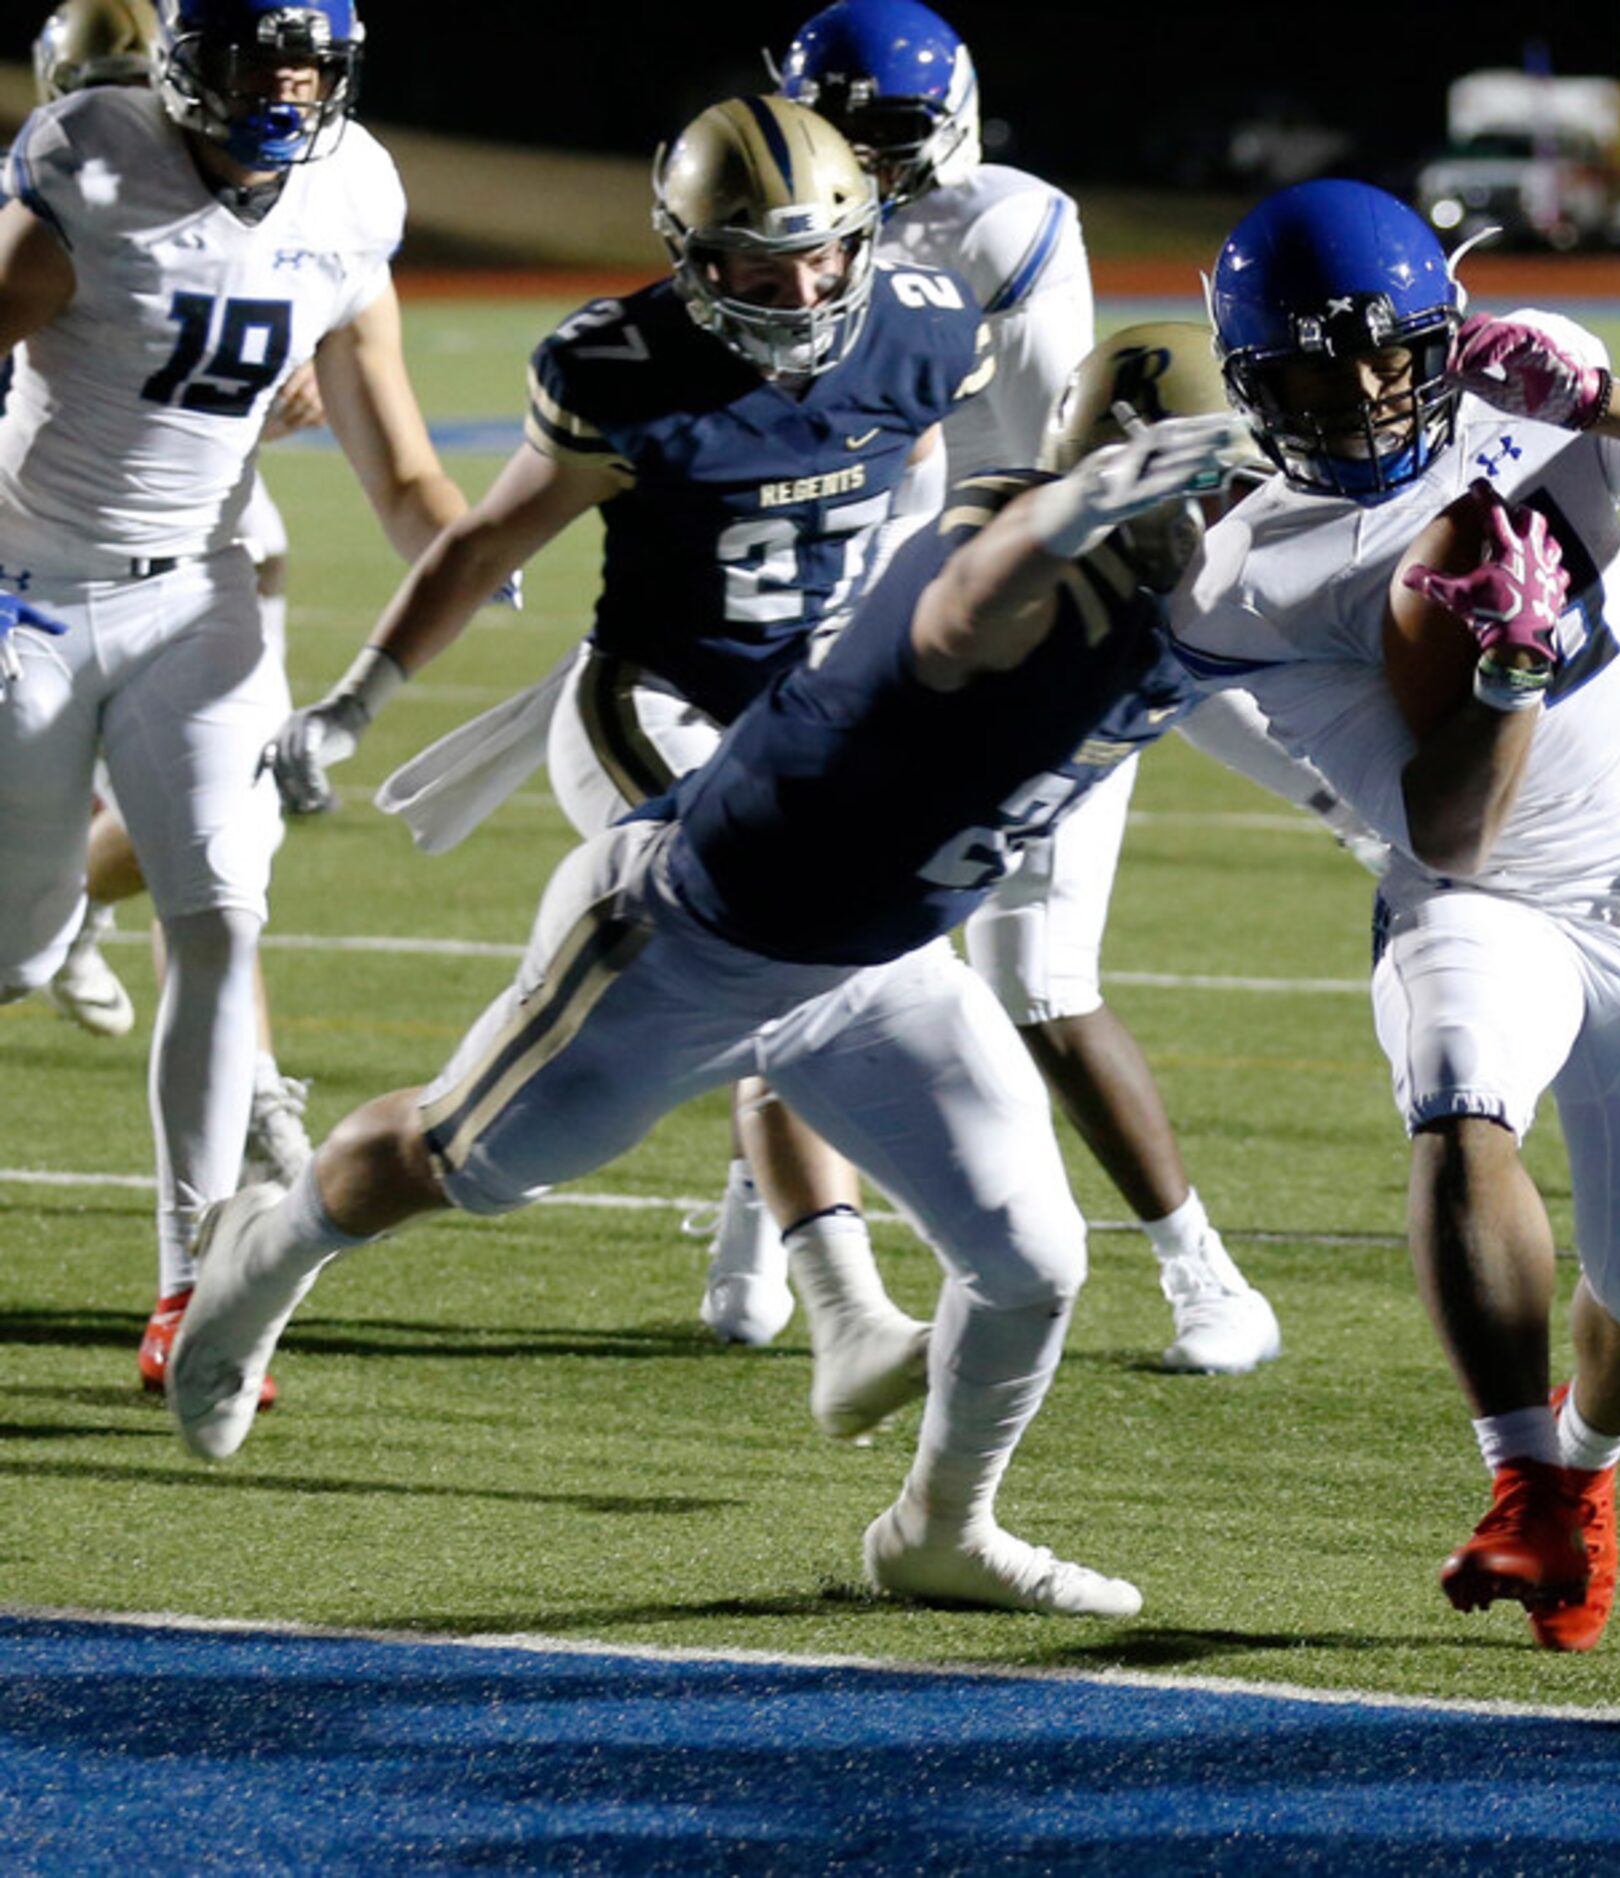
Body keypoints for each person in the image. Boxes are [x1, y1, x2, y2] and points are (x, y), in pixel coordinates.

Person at [167, 408, 1249, 1618]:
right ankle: (262, 1257)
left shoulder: (1211, 596)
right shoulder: (998, 535)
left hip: (875, 969)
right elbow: (961, 616)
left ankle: (939, 1531)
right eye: (1202, 490)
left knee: (1031, 1265)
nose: (1222, 519)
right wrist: (1076, 506)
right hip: (683, 939)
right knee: (451, 1160)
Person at [1174, 179, 1620, 1649]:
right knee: (1459, 1103)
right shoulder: (1249, 574)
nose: (1362, 394)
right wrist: (1507, 668)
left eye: (1388, 354)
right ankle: (1517, 1469)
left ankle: (1580, 1475)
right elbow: (1453, 825)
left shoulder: (1518, 404)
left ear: (1438, 334)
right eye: (1316, 370)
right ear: (1254, 377)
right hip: (1478, 894)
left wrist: (1607, 397)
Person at [270, 93, 986, 1380]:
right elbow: (487, 540)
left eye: (824, 249)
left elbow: (921, 459)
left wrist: (891, 609)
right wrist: (360, 693)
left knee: (793, 949)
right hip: (656, 704)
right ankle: (835, 1296)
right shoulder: (621, 369)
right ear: (689, 254)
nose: (804, 282)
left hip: (813, 705)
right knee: (777, 938)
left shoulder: (923, 328)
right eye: (761, 261)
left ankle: (801, 1281)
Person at [780, 0, 1333, 1374]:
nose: (864, 158)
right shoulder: (798, 221)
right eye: (837, 131)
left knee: (1028, 973)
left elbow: (1021, 454)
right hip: (885, 614)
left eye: (887, 131)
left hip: (1041, 597)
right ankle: (793, 1244)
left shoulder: (1002, 219)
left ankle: (1200, 1273)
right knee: (793, 932)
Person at [0, 0, 485, 1395]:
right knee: (18, 958)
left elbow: (399, 467)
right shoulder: (94, 159)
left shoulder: (353, 189)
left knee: (217, 908)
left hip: (201, 586)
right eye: (260, 55)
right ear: (184, 64)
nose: (288, 87)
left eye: (312, 61)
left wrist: (480, 561)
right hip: (27, 586)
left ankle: (189, 1283)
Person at [18, 0, 319, 1227]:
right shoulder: (56, 186)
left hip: (201, 546)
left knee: (216, 855)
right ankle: (63, 917)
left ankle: (240, 1084)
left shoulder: (261, 177)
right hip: (35, 549)